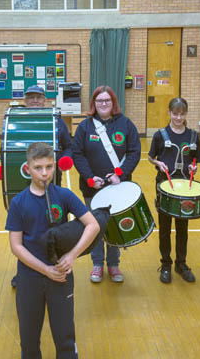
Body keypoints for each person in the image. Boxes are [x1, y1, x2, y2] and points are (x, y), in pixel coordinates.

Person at [6, 142, 99, 358]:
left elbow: (93, 225)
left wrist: (72, 255)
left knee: (65, 339)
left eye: (49, 167)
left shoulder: (64, 196)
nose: (44, 173)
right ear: (27, 168)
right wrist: (45, 270)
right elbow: (16, 246)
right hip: (29, 278)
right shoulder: (18, 202)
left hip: (61, 276)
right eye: (38, 168)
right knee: (29, 342)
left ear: (55, 166)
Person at [72, 85, 141, 283]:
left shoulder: (126, 124)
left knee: (113, 225)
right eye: (99, 101)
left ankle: (113, 264)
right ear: (94, 104)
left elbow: (135, 151)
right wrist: (89, 178)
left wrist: (120, 173)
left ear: (113, 103)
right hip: (92, 187)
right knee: (94, 226)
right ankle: (96, 264)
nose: (103, 104)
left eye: (107, 101)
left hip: (118, 186)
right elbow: (78, 154)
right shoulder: (85, 127)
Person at [9, 84, 73, 288]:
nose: (35, 101)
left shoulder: (56, 120)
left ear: (45, 99)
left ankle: (57, 264)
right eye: (31, 98)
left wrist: (65, 160)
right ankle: (26, 270)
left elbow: (69, 145)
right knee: (25, 228)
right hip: (22, 182)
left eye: (39, 97)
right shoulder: (16, 119)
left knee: (54, 223)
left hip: (51, 180)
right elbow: (7, 147)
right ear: (25, 100)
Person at [148, 97, 200, 284]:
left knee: (182, 227)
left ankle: (181, 263)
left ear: (186, 114)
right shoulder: (160, 135)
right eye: (175, 113)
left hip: (185, 188)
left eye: (182, 114)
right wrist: (158, 163)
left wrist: (194, 168)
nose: (178, 117)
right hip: (165, 185)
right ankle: (165, 264)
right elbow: (150, 157)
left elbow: (196, 160)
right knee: (164, 228)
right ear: (169, 113)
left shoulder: (193, 136)